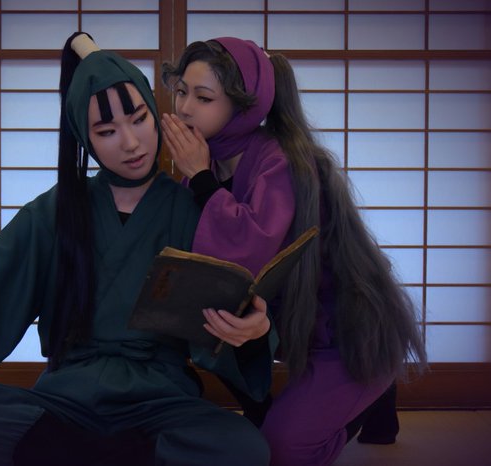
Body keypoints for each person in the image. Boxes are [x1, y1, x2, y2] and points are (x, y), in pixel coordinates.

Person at [0, 32, 275, 466]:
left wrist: (254, 331)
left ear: (154, 112)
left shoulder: (192, 209)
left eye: (139, 118)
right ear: (85, 138)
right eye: (107, 131)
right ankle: (125, 457)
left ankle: (73, 456)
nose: (131, 143)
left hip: (160, 402)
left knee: (244, 448)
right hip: (66, 400)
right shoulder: (56, 210)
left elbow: (227, 308)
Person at [161, 37, 427, 466]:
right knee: (206, 329)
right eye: (181, 92)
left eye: (203, 97)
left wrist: (200, 177)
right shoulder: (206, 161)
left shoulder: (280, 160)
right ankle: (315, 405)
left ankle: (370, 389)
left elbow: (248, 250)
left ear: (243, 107)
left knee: (283, 452)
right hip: (288, 319)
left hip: (347, 329)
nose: (185, 108)